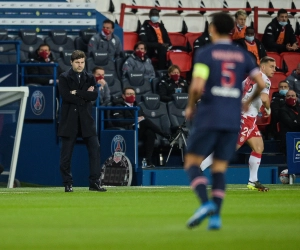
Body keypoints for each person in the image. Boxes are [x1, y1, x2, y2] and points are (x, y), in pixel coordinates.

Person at [184, 12, 265, 230]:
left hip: (210, 113)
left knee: (192, 162)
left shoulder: (206, 53)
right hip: (232, 118)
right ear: (232, 30)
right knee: (219, 168)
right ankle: (216, 217)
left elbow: (197, 86)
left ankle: (204, 203)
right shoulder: (243, 55)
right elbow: (260, 82)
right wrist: (249, 102)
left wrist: (191, 105)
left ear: (212, 29)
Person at [200, 56, 276, 193]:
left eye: (275, 67)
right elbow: (265, 98)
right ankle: (199, 168)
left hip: (248, 118)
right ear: (263, 67)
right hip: (245, 118)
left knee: (258, 147)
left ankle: (253, 181)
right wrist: (268, 109)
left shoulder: (249, 78)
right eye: (272, 67)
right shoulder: (265, 79)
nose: (274, 70)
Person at [57, 50, 106, 193]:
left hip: (86, 121)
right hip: (69, 121)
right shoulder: (64, 77)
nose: (80, 65)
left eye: (82, 62)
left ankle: (94, 182)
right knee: (66, 155)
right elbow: (66, 96)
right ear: (71, 62)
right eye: (77, 62)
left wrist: (77, 92)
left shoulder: (90, 77)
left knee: (95, 150)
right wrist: (85, 94)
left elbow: (94, 96)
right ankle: (67, 183)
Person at [111, 87, 173, 168]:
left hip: (138, 131)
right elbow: (118, 122)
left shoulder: (137, 106)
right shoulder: (118, 106)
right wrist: (135, 120)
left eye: (133, 94)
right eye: (129, 94)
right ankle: (165, 135)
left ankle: (148, 160)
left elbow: (143, 117)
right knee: (145, 121)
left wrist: (138, 120)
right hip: (127, 131)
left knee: (150, 132)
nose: (131, 96)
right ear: (123, 96)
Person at [278, 90, 300, 154]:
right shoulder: (282, 110)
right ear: (285, 98)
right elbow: (291, 124)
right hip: (288, 138)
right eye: (288, 96)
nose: (290, 98)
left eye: (293, 96)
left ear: (296, 98)